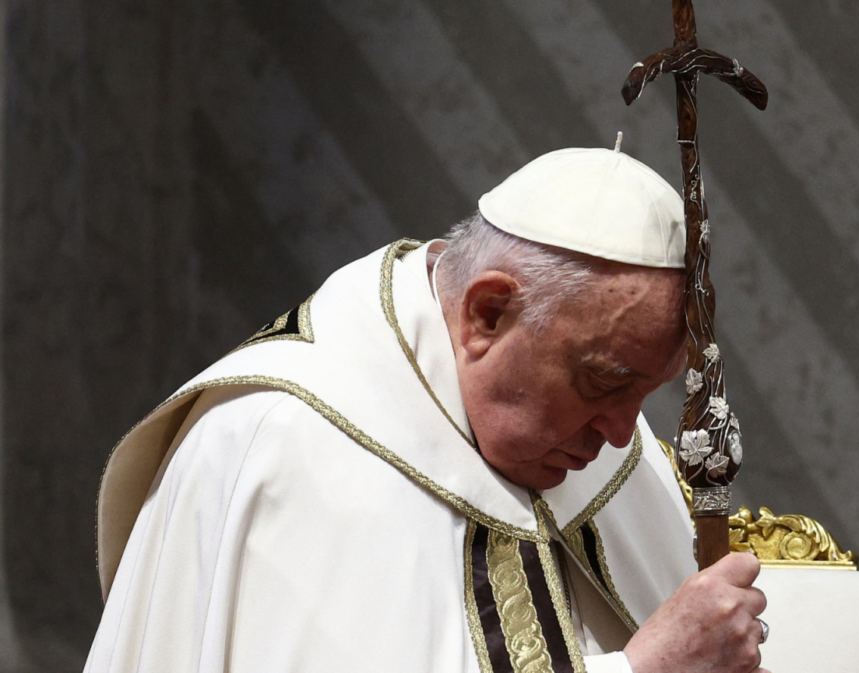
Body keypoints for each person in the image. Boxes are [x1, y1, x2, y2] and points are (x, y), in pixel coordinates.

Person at [86, 147, 768, 673]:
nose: (622, 434)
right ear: (487, 313)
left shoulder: (607, 447)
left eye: (644, 392)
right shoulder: (288, 448)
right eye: (602, 382)